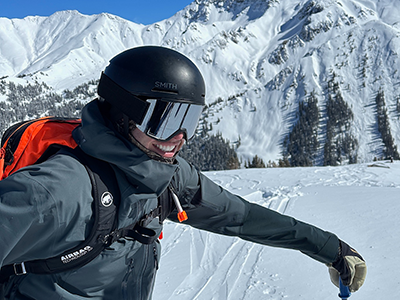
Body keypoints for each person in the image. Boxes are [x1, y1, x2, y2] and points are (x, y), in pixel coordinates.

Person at [0, 46, 366, 299]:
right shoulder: (61, 191)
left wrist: (328, 248)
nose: (178, 139)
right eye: (166, 120)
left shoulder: (165, 177)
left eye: (189, 120)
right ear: (123, 113)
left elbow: (240, 216)